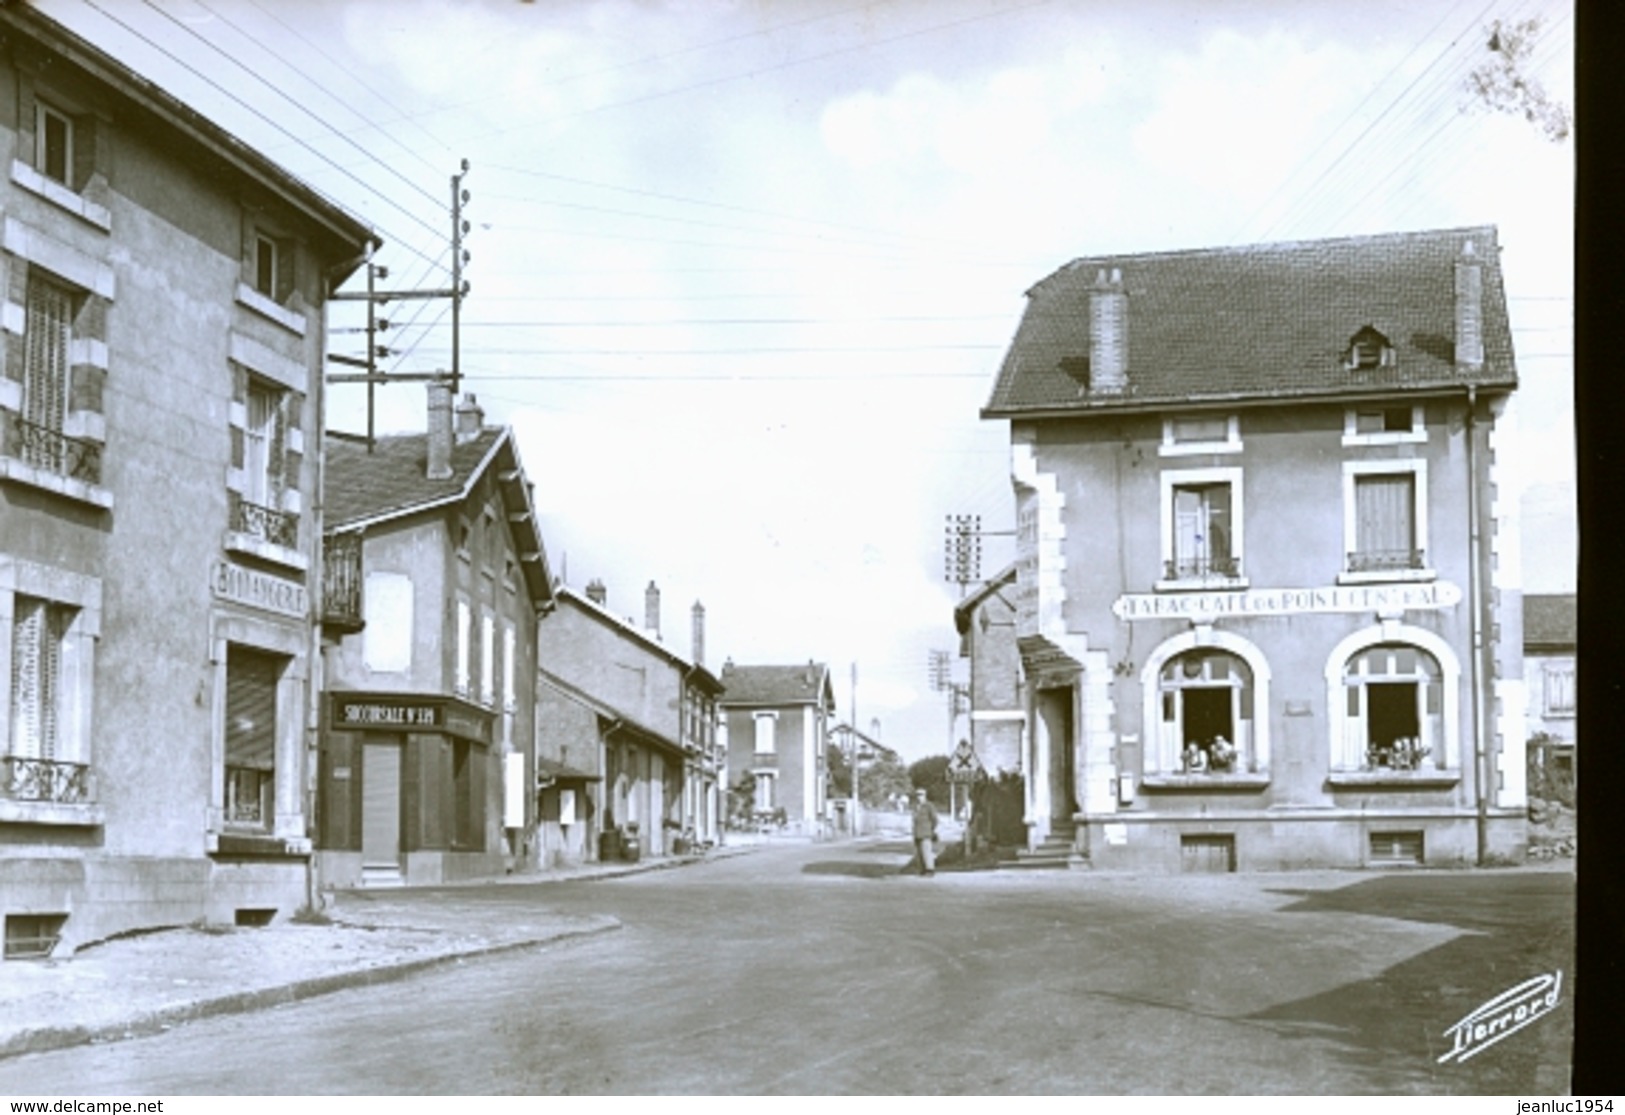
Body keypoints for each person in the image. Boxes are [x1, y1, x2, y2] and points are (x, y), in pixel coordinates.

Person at [910, 788, 940, 876]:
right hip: (917, 832)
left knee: (927, 851)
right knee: (920, 852)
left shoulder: (929, 806)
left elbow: (935, 819)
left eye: (921, 795)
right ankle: (922, 869)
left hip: (926, 832)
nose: (919, 797)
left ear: (925, 796)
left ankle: (930, 870)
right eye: (917, 795)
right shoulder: (916, 806)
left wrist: (931, 829)